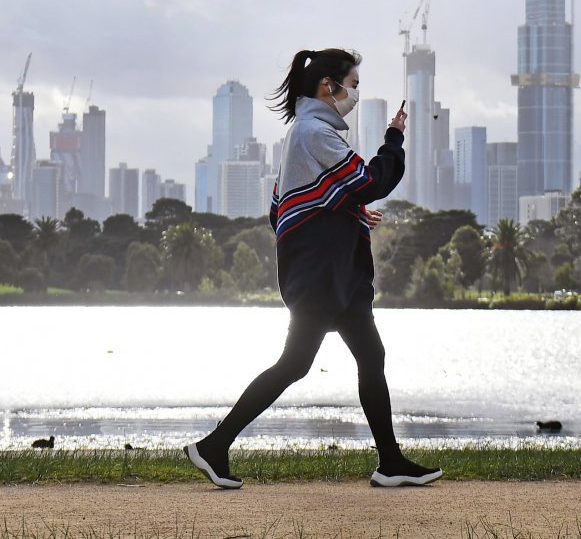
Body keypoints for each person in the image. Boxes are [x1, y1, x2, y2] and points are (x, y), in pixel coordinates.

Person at [184, 48, 442, 489]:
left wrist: (353, 215)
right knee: (294, 365)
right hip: (324, 279)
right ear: (330, 86)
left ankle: (391, 462)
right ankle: (213, 446)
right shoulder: (313, 132)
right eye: (353, 85)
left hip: (336, 277)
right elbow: (369, 182)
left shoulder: (309, 131)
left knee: (369, 357)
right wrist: (394, 138)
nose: (354, 94)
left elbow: (290, 205)